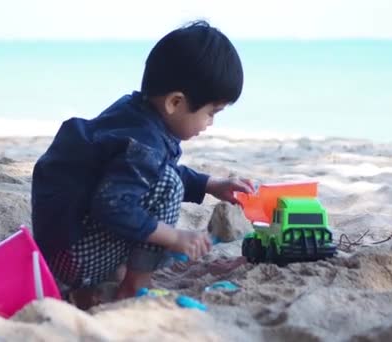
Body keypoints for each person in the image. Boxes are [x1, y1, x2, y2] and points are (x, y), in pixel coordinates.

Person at [31, 20, 253, 309]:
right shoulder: (144, 145)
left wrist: (209, 184)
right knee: (169, 188)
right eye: (212, 112)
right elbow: (113, 205)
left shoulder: (133, 114)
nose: (211, 123)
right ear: (175, 102)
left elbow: (151, 171)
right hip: (74, 260)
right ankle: (133, 287)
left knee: (162, 182)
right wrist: (174, 236)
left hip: (62, 243)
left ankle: (106, 278)